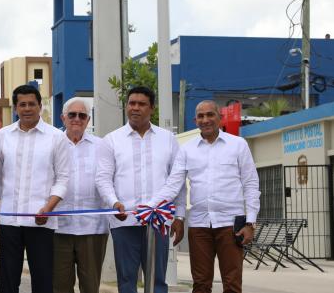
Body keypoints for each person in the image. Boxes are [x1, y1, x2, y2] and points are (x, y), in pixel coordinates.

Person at [149, 100, 260, 293]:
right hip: (199, 226)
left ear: (220, 117)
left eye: (210, 115)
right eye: (201, 116)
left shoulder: (238, 145)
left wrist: (250, 223)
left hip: (231, 225)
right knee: (200, 284)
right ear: (195, 120)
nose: (205, 120)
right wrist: (150, 206)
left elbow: (251, 184)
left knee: (232, 283)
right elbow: (174, 185)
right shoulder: (187, 149)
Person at [95, 86, 185, 293]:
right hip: (124, 220)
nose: (135, 108)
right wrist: (113, 203)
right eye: (131, 103)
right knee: (126, 280)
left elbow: (177, 181)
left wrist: (179, 216)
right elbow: (103, 179)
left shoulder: (168, 139)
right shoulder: (111, 140)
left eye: (141, 104)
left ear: (151, 108)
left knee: (157, 281)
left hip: (159, 222)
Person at [0, 84, 70, 293]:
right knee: (7, 281)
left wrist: (49, 207)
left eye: (32, 104)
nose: (27, 109)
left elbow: (63, 179)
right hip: (9, 219)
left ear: (40, 106)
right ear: (16, 108)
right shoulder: (3, 136)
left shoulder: (56, 137)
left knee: (43, 281)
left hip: (42, 220)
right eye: (22, 104)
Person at [53, 99, 107, 293]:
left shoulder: (102, 146)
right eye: (72, 115)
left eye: (82, 115)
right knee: (60, 287)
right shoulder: (53, 143)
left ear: (88, 119)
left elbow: (108, 181)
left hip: (92, 228)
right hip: (59, 229)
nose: (77, 119)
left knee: (91, 287)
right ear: (63, 118)